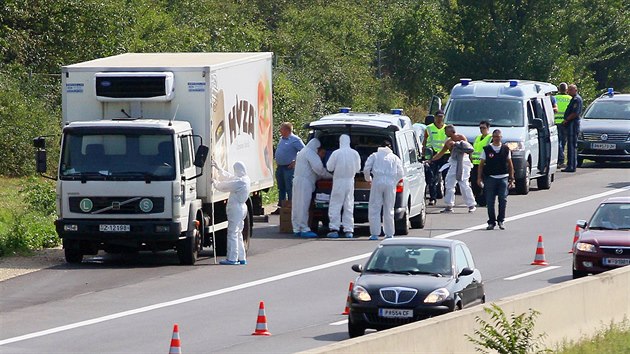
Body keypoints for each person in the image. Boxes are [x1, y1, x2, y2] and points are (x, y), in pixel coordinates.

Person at [363, 140, 404, 240]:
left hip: (377, 181)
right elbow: (401, 172)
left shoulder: (374, 156)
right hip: (390, 182)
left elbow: (366, 169)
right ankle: (389, 233)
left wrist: (368, 179)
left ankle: (375, 234)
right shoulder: (394, 157)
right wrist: (394, 181)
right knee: (389, 208)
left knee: (374, 208)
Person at [211, 161, 251, 265]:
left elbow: (226, 186)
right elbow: (231, 178)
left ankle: (232, 258)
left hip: (236, 208)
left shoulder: (240, 182)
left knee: (232, 233)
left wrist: (215, 183)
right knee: (238, 233)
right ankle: (242, 258)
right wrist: (219, 169)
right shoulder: (245, 179)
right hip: (242, 208)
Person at [291, 138, 332, 238]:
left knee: (297, 206)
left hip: (298, 180)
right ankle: (304, 228)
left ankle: (297, 228)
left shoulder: (302, 152)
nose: (321, 154)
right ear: (317, 148)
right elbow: (319, 169)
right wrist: (331, 176)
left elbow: (312, 171)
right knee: (303, 206)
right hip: (305, 183)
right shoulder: (311, 153)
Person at [431, 125, 476, 213]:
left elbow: (469, 149)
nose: (445, 133)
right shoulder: (448, 142)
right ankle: (449, 205)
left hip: (464, 162)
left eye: (446, 131)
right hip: (454, 162)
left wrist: (458, 146)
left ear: (451, 131)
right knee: (449, 182)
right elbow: (441, 153)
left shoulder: (461, 137)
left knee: (464, 183)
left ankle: (471, 204)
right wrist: (431, 160)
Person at [476, 129, 515, 230]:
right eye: (495, 137)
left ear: (501, 138)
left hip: (503, 177)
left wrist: (511, 178)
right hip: (490, 178)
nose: (497, 139)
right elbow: (481, 165)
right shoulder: (487, 149)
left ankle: (501, 220)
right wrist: (479, 178)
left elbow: (510, 164)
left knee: (503, 199)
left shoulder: (506, 149)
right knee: (490, 201)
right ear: (492, 138)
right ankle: (491, 222)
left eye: (499, 137)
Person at [326, 134, 361, 238]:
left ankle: (334, 228)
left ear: (340, 141)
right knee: (349, 205)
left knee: (335, 205)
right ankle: (349, 230)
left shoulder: (336, 153)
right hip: (350, 181)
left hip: (338, 181)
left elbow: (329, 167)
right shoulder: (355, 153)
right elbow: (358, 168)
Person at [274, 122, 305, 212]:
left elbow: (304, 151)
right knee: (281, 188)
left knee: (289, 187)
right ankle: (281, 207)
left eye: (282, 129)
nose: (280, 130)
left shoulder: (295, 140)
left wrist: (296, 162)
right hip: (280, 167)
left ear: (287, 130)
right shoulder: (281, 139)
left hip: (289, 168)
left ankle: (292, 207)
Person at [423, 109, 449, 206]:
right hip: (433, 154)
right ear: (435, 117)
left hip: (445, 154)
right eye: (438, 117)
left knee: (447, 177)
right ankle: (432, 198)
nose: (439, 119)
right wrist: (423, 154)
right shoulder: (429, 128)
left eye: (441, 117)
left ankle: (448, 198)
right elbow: (425, 141)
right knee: (432, 177)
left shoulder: (447, 128)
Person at [561, 84, 583, 172]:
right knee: (570, 145)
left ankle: (571, 166)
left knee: (572, 145)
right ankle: (570, 165)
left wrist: (566, 120)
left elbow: (575, 113)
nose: (568, 91)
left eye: (570, 90)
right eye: (568, 90)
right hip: (571, 124)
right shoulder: (573, 99)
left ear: (575, 90)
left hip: (573, 124)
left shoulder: (576, 100)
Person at [470, 121, 492, 207]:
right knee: (474, 183)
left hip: (484, 164)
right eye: (480, 128)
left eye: (483, 128)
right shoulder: (477, 137)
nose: (482, 129)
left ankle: (485, 200)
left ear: (488, 128)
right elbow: (474, 149)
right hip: (475, 163)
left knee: (485, 184)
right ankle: (478, 199)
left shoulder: (490, 138)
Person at [554, 83, 571, 167]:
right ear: (566, 89)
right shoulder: (570, 98)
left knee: (558, 142)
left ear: (559, 89)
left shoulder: (555, 98)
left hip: (556, 122)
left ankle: (559, 159)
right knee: (563, 142)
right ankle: (561, 159)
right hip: (566, 123)